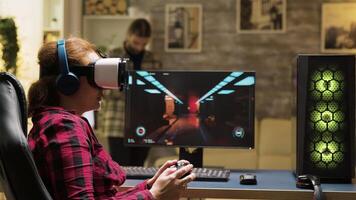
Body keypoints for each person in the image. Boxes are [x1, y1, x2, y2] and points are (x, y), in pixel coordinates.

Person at [27, 37, 195, 200]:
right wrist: (154, 195)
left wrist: (150, 186)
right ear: (68, 82)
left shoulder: (57, 123)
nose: (104, 89)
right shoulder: (64, 128)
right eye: (95, 77)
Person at [97, 18, 162, 166]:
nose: (139, 48)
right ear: (128, 35)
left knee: (139, 167)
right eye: (136, 43)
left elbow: (157, 91)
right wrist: (131, 88)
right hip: (117, 122)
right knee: (121, 168)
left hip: (145, 122)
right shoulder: (112, 57)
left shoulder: (153, 60)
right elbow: (103, 89)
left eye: (144, 44)